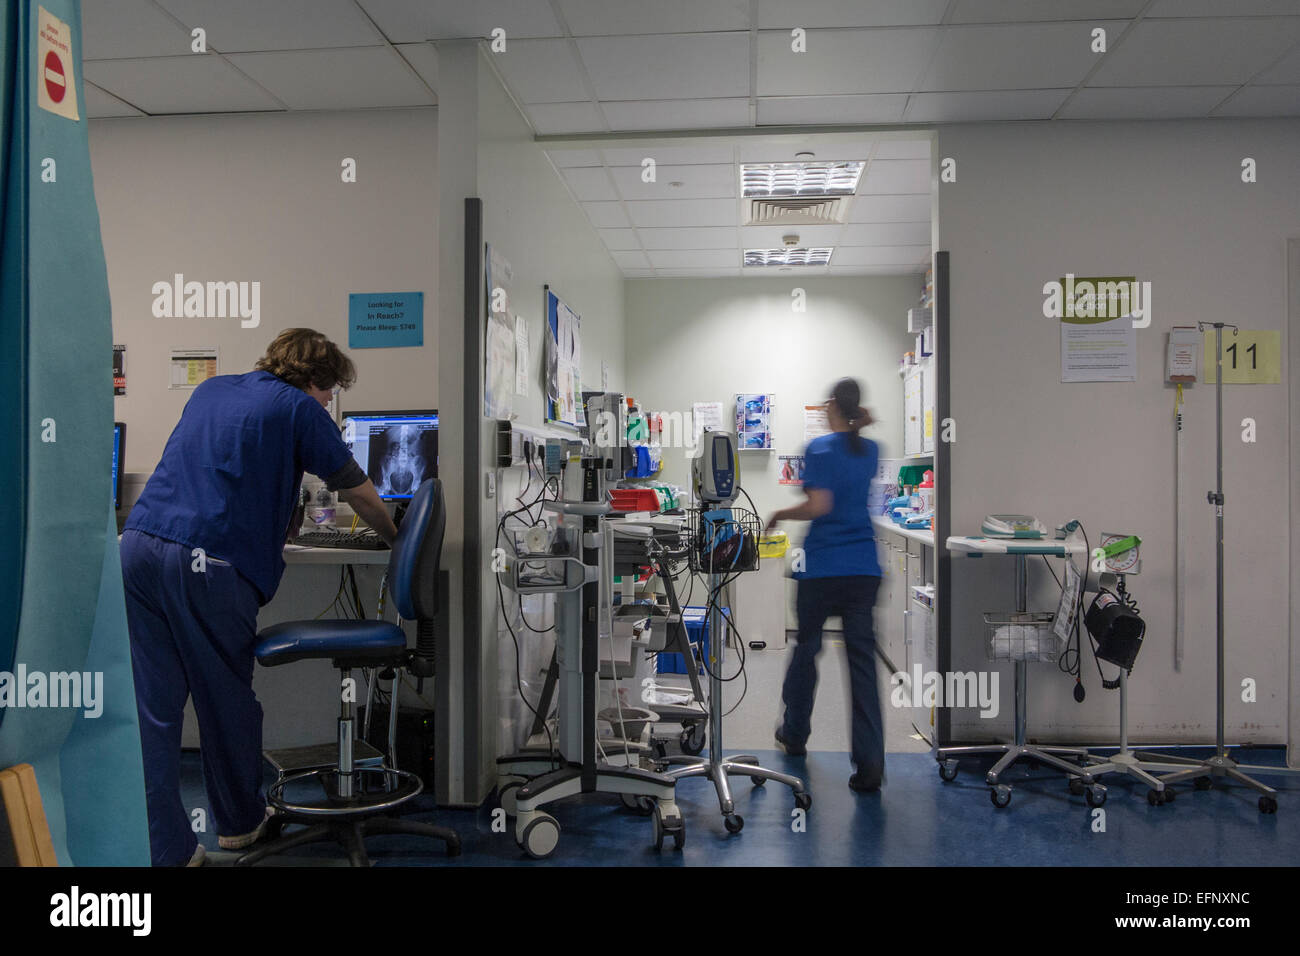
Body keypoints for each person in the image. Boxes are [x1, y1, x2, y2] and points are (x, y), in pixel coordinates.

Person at [120, 328, 398, 866]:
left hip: (137, 547)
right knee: (226, 703)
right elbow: (359, 492)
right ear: (316, 380)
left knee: (151, 712)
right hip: (207, 561)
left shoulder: (212, 390)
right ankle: (241, 825)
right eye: (330, 392)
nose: (328, 403)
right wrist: (398, 539)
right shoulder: (300, 408)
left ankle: (168, 853)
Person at [765, 378, 885, 793]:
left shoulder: (818, 449)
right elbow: (858, 440)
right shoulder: (870, 449)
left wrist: (779, 512)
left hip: (821, 569)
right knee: (862, 666)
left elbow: (819, 506)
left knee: (807, 651)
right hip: (864, 571)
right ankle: (870, 765)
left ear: (832, 404)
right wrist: (859, 422)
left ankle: (795, 735)